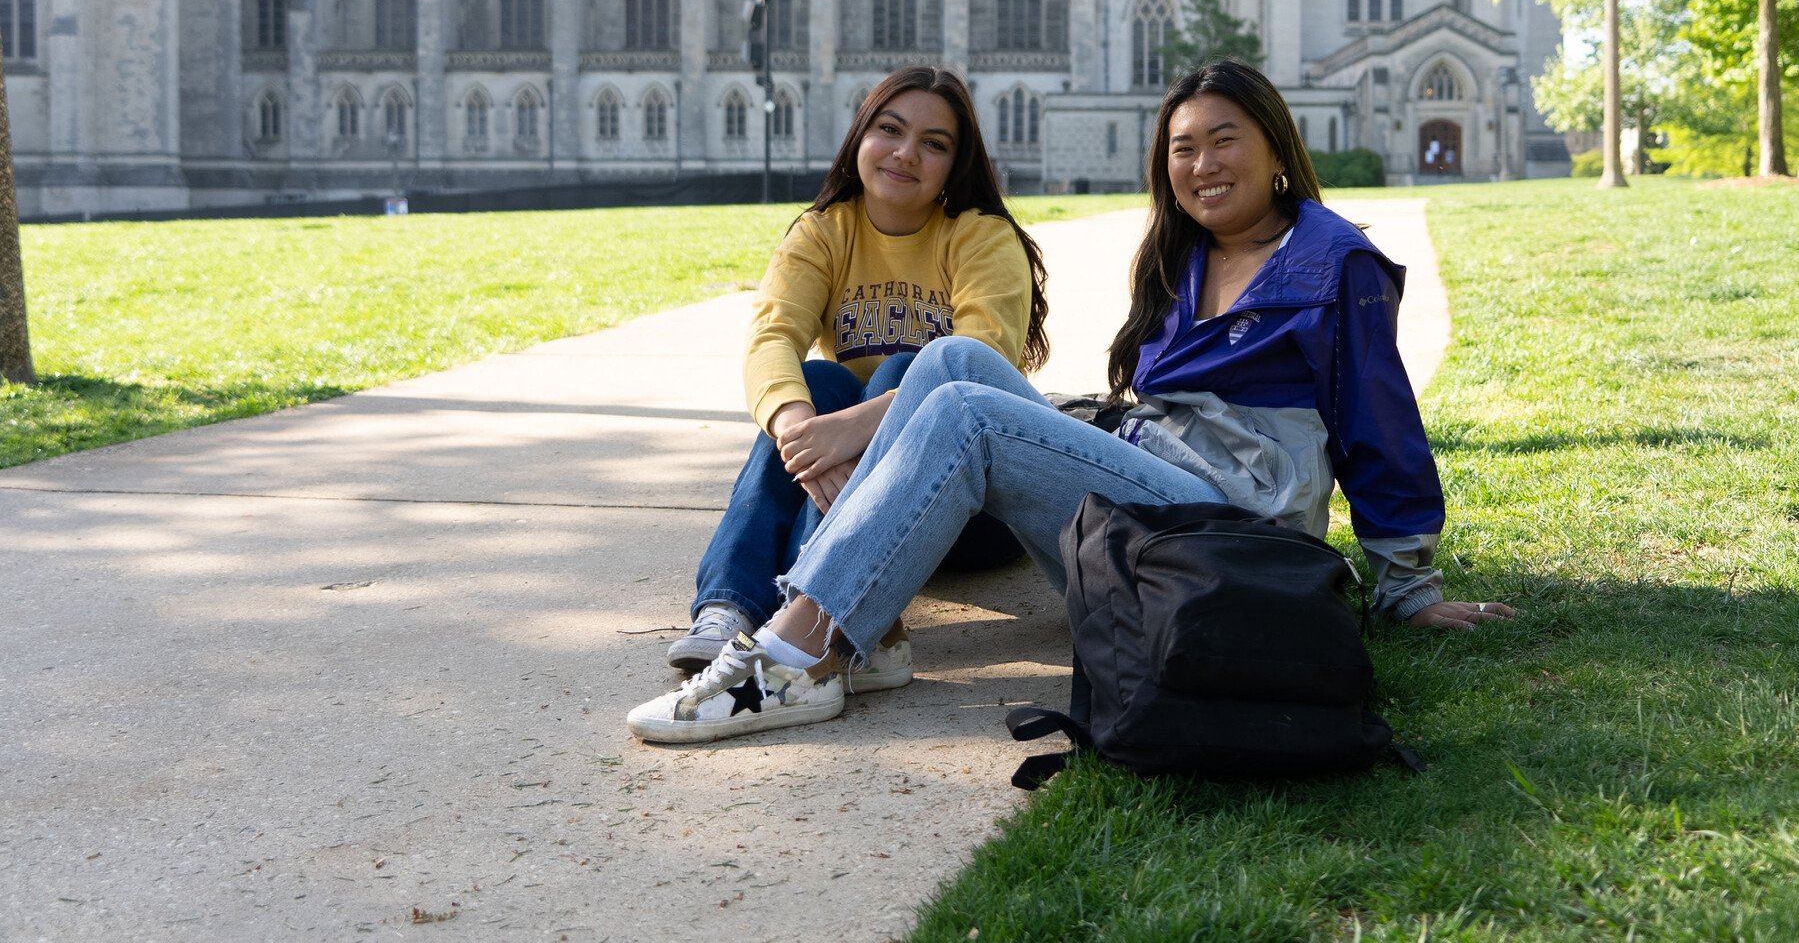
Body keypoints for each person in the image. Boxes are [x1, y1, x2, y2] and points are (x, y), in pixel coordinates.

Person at [629, 60, 1513, 745]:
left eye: (1224, 140)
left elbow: (1379, 425)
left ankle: (795, 654)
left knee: (969, 412)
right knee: (951, 360)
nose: (1202, 165)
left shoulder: (1331, 262)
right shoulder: (1185, 258)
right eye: (1182, 148)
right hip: (1154, 509)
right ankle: (848, 626)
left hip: (1235, 533)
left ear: (1277, 148)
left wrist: (1407, 587)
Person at [660, 66, 1049, 694]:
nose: (905, 153)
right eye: (889, 129)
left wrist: (855, 429)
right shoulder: (824, 232)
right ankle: (730, 606)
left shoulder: (979, 236)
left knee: (908, 368)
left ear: (956, 163)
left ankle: (820, 615)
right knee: (815, 380)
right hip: (858, 500)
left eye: (934, 143)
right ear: (859, 137)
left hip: (968, 507)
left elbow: (979, 362)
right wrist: (801, 436)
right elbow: (771, 338)